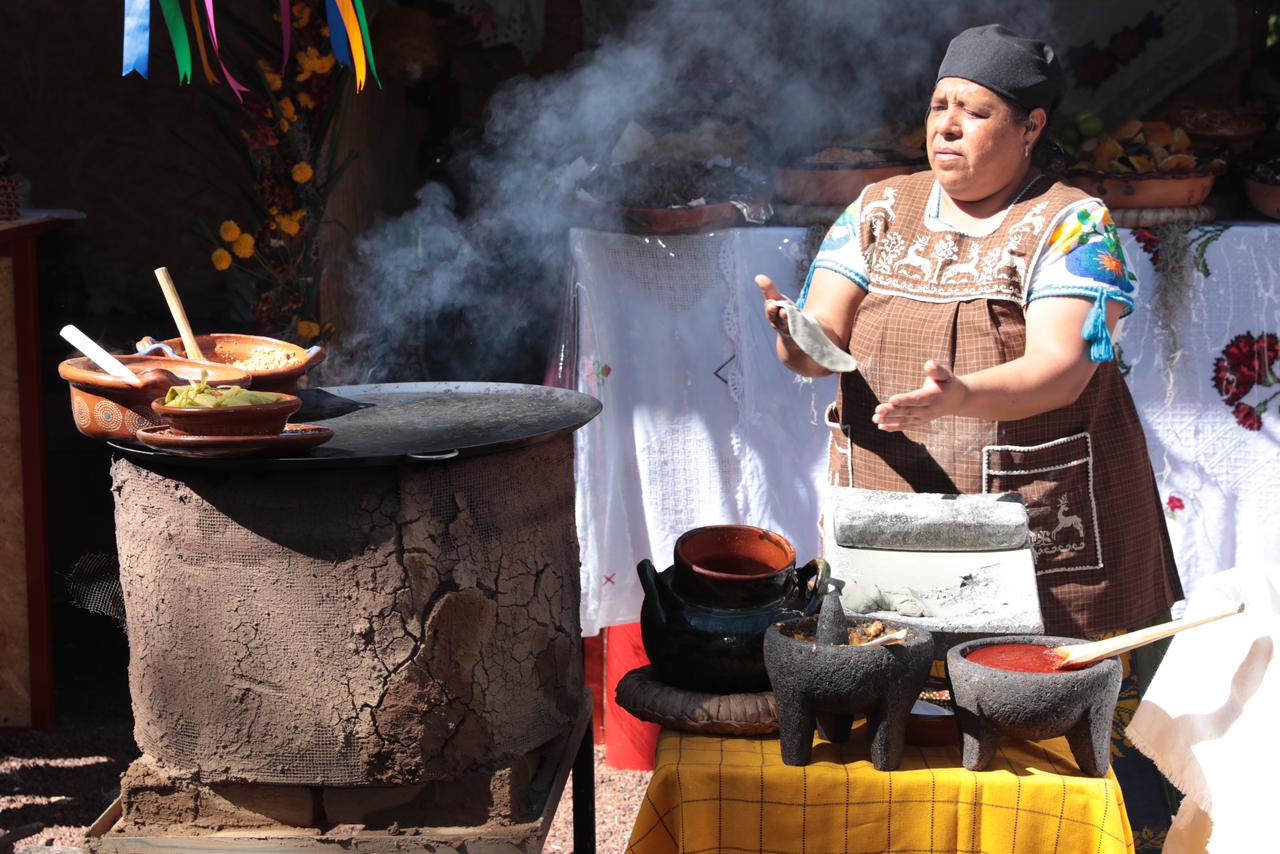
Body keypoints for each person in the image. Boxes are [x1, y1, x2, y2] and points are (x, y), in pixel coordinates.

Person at [757, 24, 1181, 844]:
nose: (946, 125)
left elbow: (1062, 368)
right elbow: (821, 344)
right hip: (895, 509)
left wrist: (961, 396)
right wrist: (793, 336)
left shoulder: (1071, 222)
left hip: (1040, 521)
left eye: (976, 111)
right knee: (896, 719)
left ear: (1031, 127)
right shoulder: (880, 208)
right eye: (938, 106)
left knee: (1051, 739)